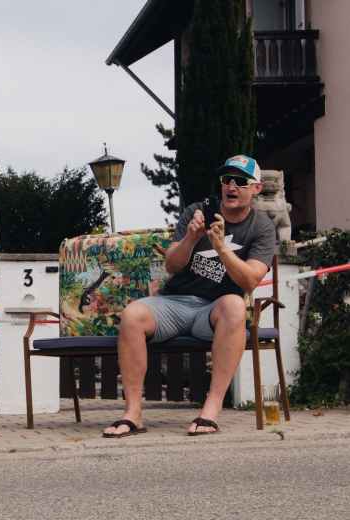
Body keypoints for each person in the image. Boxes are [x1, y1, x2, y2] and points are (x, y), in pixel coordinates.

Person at [103, 155, 276, 438]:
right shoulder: (197, 211)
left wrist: (221, 248)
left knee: (235, 305)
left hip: (215, 311)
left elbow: (250, 280)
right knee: (132, 315)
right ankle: (133, 414)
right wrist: (191, 239)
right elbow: (172, 265)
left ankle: (211, 409)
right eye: (226, 180)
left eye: (240, 181)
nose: (231, 186)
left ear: (256, 188)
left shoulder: (262, 227)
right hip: (176, 302)